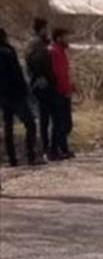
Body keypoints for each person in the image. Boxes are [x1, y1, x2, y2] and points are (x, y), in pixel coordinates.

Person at [1, 28, 42, 167]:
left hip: (2, 96)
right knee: (30, 124)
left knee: (8, 126)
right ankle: (30, 155)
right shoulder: (8, 51)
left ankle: (12, 158)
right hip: (15, 94)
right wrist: (24, 91)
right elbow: (16, 73)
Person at [24, 18, 55, 158]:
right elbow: (37, 63)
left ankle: (47, 147)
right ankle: (45, 148)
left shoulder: (38, 43)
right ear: (42, 28)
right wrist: (42, 77)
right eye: (45, 28)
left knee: (46, 116)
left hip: (41, 82)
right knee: (45, 117)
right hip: (42, 83)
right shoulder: (37, 44)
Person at [47, 28, 75, 160]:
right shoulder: (54, 52)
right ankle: (54, 150)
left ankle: (63, 149)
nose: (68, 40)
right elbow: (58, 74)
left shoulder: (61, 51)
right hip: (58, 92)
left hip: (64, 90)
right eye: (66, 37)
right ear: (59, 38)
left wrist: (71, 86)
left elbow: (65, 72)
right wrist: (65, 90)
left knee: (65, 123)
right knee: (60, 123)